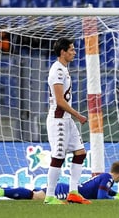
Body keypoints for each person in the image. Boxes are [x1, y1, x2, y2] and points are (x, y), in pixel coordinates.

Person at [44, 37, 89, 205]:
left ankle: (73, 192)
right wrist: (78, 115)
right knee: (58, 156)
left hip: (67, 119)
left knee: (80, 153)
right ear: (63, 52)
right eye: (71, 49)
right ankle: (49, 196)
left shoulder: (63, 69)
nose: (74, 52)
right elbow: (60, 101)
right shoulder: (57, 71)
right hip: (58, 120)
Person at [0, 161, 119, 201]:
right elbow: (102, 197)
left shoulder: (105, 177)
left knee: (33, 195)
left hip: (66, 188)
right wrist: (115, 198)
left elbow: (105, 191)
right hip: (66, 191)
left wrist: (118, 195)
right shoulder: (108, 178)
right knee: (35, 197)